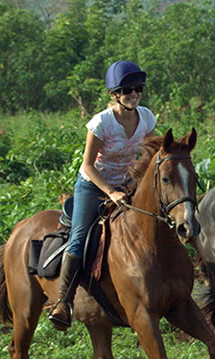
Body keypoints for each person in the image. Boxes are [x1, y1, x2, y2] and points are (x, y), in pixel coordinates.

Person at [48, 60, 157, 330]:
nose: (134, 94)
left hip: (128, 183)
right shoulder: (101, 123)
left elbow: (152, 154)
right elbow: (86, 165)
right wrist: (111, 191)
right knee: (79, 238)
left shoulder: (147, 117)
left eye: (138, 89)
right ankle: (64, 302)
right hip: (94, 185)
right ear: (114, 94)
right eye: (127, 90)